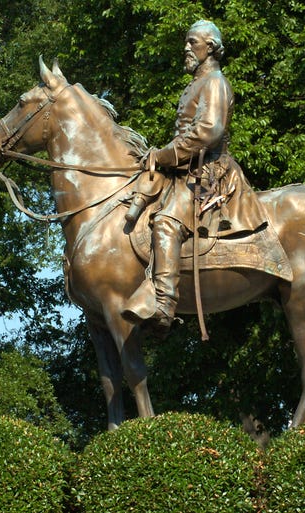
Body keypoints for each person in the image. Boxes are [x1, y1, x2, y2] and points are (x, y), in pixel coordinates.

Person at [124, 20, 268, 332]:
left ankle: (163, 303)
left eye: (193, 43)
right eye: (187, 42)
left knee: (165, 222)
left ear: (211, 47)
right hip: (187, 169)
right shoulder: (197, 84)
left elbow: (208, 131)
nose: (186, 48)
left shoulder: (214, 81)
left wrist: (164, 155)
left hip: (208, 172)